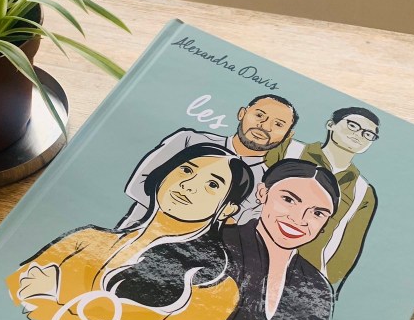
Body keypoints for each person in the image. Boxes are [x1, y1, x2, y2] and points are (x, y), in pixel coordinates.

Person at [7, 143, 255, 320]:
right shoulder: (85, 239)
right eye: (187, 170)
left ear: (227, 209)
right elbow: (13, 289)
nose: (188, 185)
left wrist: (46, 302)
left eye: (212, 184)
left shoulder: (217, 287)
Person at [222, 160, 339, 320]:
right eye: (288, 199)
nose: (299, 219)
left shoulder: (318, 289)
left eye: (317, 213)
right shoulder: (221, 244)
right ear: (262, 193)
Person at [118, 94, 298, 229]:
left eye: (278, 124)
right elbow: (138, 184)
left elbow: (237, 229)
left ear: (288, 135)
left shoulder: (268, 185)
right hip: (136, 230)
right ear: (242, 113)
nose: (265, 126)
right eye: (259, 115)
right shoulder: (189, 140)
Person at [264, 106, 379, 288]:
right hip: (252, 250)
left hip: (302, 278)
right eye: (353, 126)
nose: (359, 135)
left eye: (368, 134)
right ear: (331, 124)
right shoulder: (288, 149)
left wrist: (322, 281)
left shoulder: (363, 191)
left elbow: (349, 247)